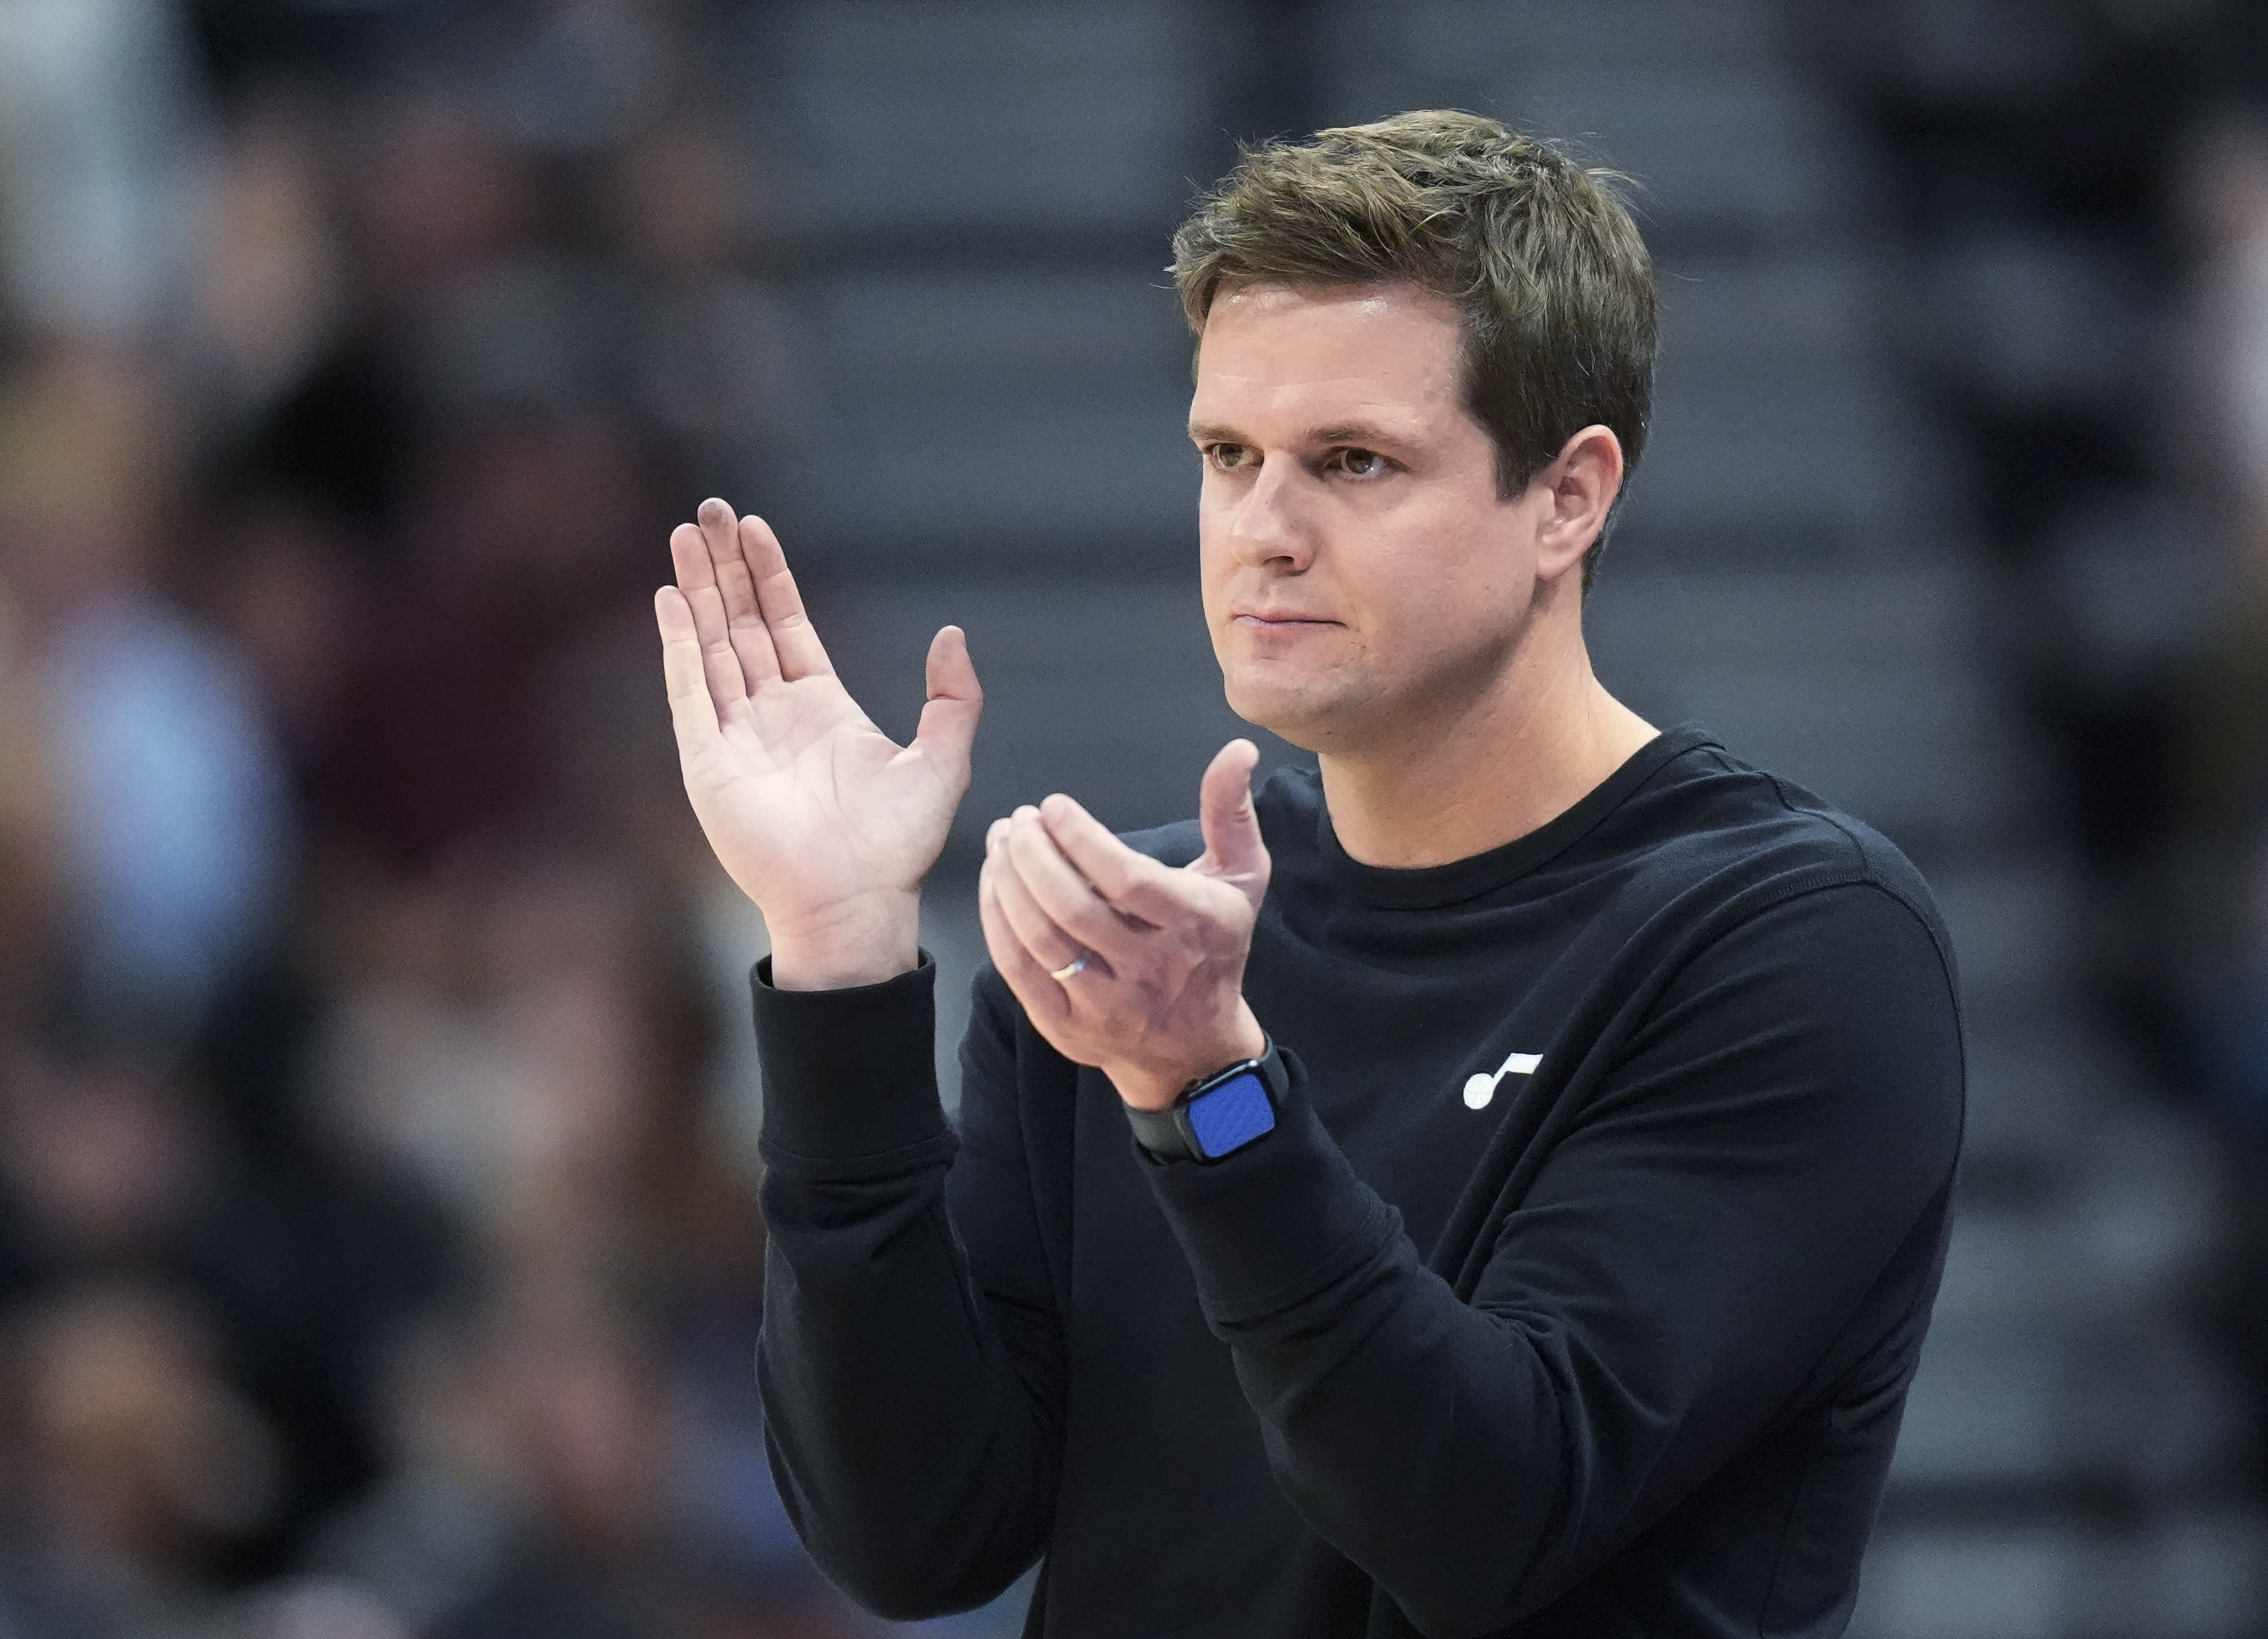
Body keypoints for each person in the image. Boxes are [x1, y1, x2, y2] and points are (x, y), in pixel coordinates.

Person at [652, 112, 1963, 1638]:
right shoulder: (1134, 952)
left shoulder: (1790, 942)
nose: (1263, 533)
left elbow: (1483, 1518)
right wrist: (840, 960)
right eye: (1229, 457)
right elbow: (917, 1537)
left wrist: (1211, 1095)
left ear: (1568, 496)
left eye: (1353, 462)